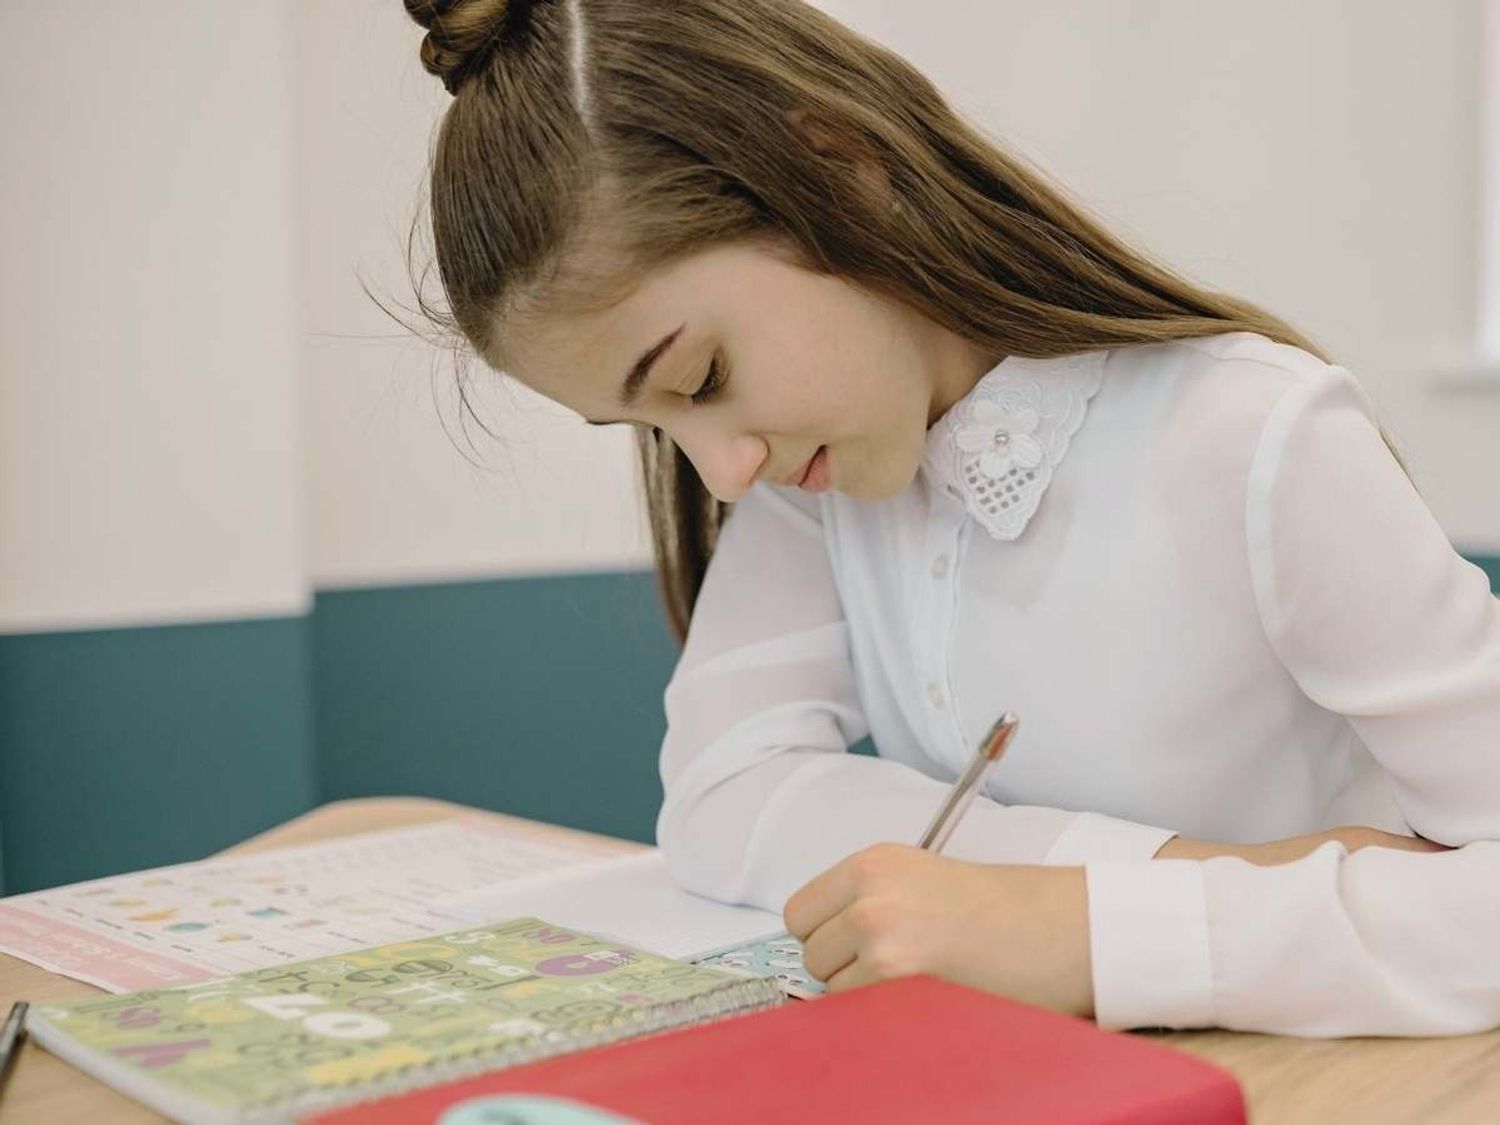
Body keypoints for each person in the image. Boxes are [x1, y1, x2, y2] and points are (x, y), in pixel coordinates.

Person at [397, 0, 1500, 1036]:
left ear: (839, 165)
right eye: (649, 428)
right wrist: (1141, 880)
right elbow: (724, 794)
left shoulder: (1253, 434)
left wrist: (1082, 932)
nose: (722, 474)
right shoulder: (804, 487)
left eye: (701, 374)